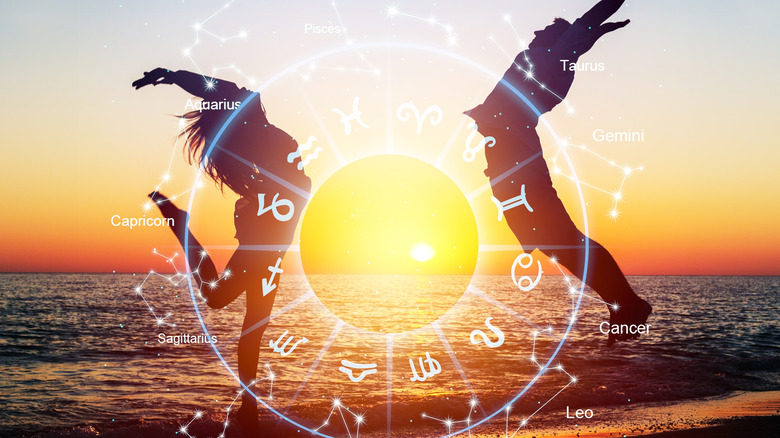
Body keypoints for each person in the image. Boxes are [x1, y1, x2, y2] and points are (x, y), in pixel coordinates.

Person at [133, 68, 312, 431]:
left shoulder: (251, 122)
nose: (246, 89)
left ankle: (249, 408)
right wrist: (171, 75)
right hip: (270, 228)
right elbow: (218, 87)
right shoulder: (248, 117)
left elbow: (221, 88)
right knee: (231, 308)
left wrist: (170, 75)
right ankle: (181, 226)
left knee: (250, 323)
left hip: (275, 226)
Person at [465, 0, 651, 346]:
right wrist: (588, 37)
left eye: (549, 30)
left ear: (561, 39)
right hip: (508, 160)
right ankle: (622, 304)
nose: (538, 31)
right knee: (555, 243)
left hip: (516, 157)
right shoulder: (550, 57)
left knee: (561, 238)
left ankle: (628, 304)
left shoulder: (552, 55)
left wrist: (593, 24)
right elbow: (579, 38)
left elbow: (583, 26)